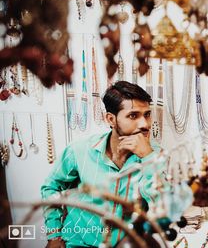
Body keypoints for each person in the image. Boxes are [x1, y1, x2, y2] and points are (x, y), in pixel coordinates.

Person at [41, 81, 160, 248]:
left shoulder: (156, 156)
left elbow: (165, 209)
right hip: (78, 243)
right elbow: (51, 187)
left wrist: (148, 157)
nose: (145, 124)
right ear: (111, 119)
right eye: (133, 116)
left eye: (147, 114)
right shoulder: (80, 150)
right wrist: (54, 234)